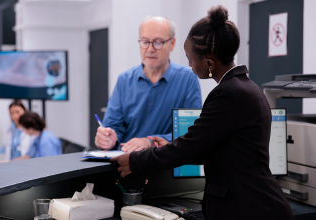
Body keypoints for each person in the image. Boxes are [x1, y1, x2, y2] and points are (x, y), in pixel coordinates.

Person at [111, 5, 294, 220]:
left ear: (208, 63)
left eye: (190, 59)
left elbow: (187, 147)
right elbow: (211, 147)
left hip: (247, 207)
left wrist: (135, 160)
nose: (189, 65)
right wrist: (168, 145)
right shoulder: (247, 87)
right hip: (257, 203)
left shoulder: (228, 94)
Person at [95, 16, 202, 152]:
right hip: (127, 166)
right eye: (145, 42)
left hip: (167, 166)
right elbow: (113, 126)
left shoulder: (188, 79)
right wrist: (109, 138)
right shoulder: (124, 80)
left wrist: (151, 141)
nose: (150, 49)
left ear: (172, 44)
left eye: (158, 42)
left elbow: (192, 131)